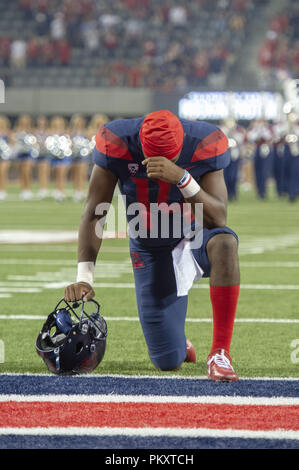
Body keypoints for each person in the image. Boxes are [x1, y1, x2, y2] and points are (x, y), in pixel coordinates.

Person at [64, 110, 240, 382]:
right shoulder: (117, 142)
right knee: (167, 361)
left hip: (193, 236)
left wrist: (182, 178)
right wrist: (84, 277)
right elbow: (95, 212)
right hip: (151, 247)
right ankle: (178, 343)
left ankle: (220, 352)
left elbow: (218, 217)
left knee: (226, 242)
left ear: (182, 144)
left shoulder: (204, 141)